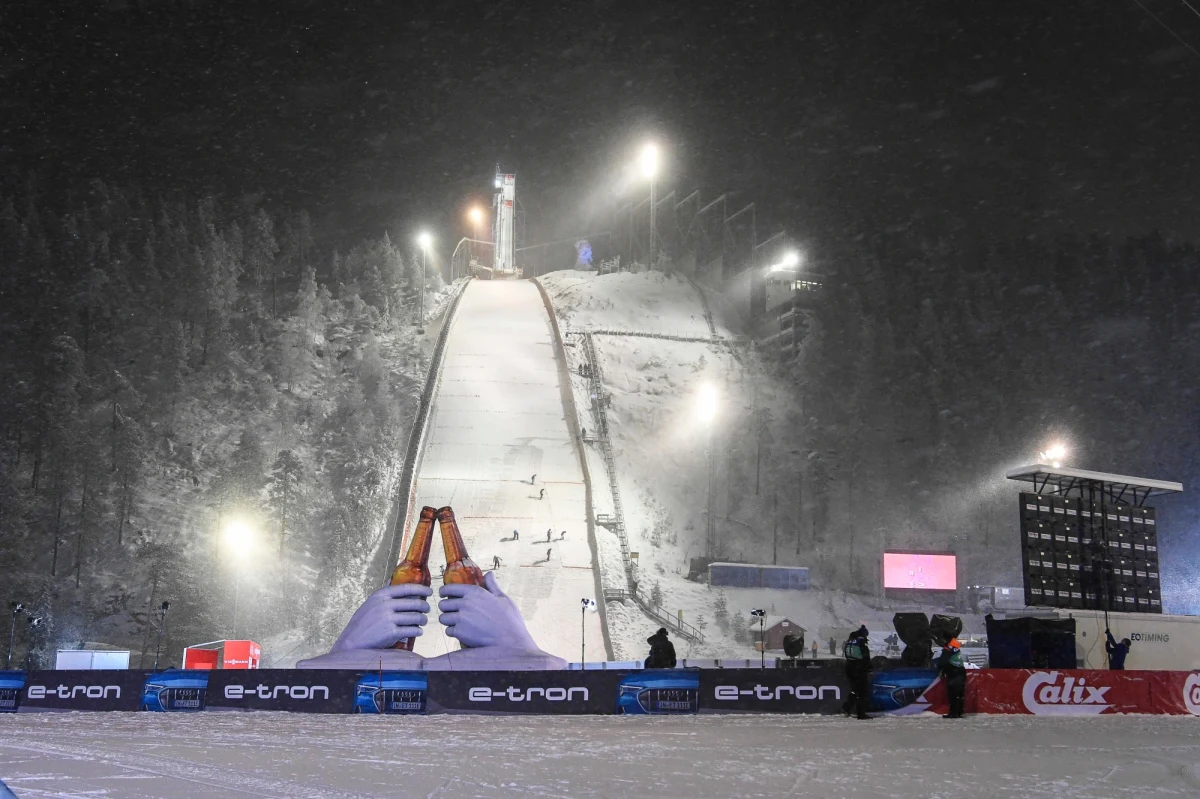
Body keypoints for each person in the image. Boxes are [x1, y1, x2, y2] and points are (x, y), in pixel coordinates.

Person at [841, 626, 872, 719]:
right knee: (862, 692)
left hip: (849, 666)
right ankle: (861, 714)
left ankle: (846, 707)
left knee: (854, 690)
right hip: (859, 668)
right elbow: (866, 657)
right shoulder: (861, 642)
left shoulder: (850, 641)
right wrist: (868, 667)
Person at [939, 637, 967, 719]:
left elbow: (942, 662)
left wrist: (941, 669)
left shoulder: (947, 650)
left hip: (953, 674)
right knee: (960, 695)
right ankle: (960, 712)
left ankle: (953, 713)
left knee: (953, 694)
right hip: (962, 672)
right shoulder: (956, 649)